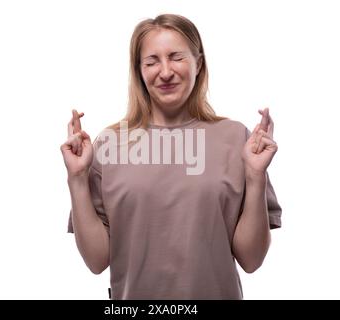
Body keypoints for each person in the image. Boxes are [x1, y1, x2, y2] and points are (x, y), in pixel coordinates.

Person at [60, 13, 282, 300]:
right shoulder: (109, 143)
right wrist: (77, 178)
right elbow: (97, 260)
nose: (165, 72)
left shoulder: (236, 139)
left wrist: (255, 175)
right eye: (152, 61)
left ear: (198, 63)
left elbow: (251, 260)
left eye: (176, 57)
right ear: (139, 70)